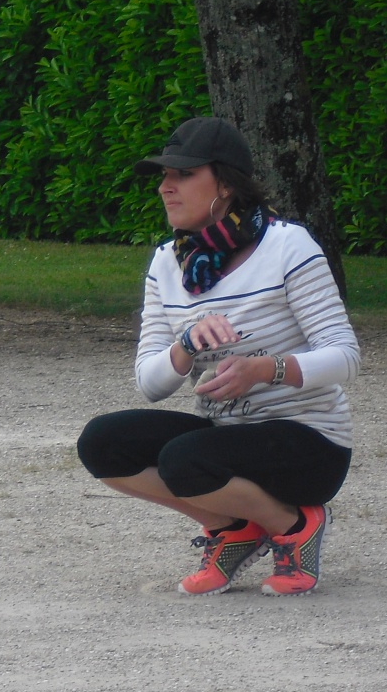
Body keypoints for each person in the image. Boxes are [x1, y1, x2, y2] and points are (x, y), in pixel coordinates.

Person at [76, 117, 360, 596]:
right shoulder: (167, 262)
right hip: (226, 436)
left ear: (225, 184)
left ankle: (294, 525)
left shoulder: (288, 246)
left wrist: (264, 370)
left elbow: (346, 356)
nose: (166, 187)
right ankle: (235, 528)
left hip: (310, 443)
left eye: (183, 175)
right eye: (164, 177)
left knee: (183, 460)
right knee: (102, 443)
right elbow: (151, 382)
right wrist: (185, 346)